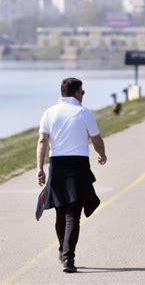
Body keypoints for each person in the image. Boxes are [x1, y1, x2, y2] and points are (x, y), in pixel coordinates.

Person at [36, 77, 107, 273]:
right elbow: (96, 138)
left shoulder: (49, 113)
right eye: (82, 92)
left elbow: (42, 141)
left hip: (57, 165)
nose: (83, 96)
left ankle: (63, 250)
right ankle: (68, 257)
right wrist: (102, 154)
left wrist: (40, 167)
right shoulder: (83, 112)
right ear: (76, 93)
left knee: (61, 212)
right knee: (72, 215)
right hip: (78, 166)